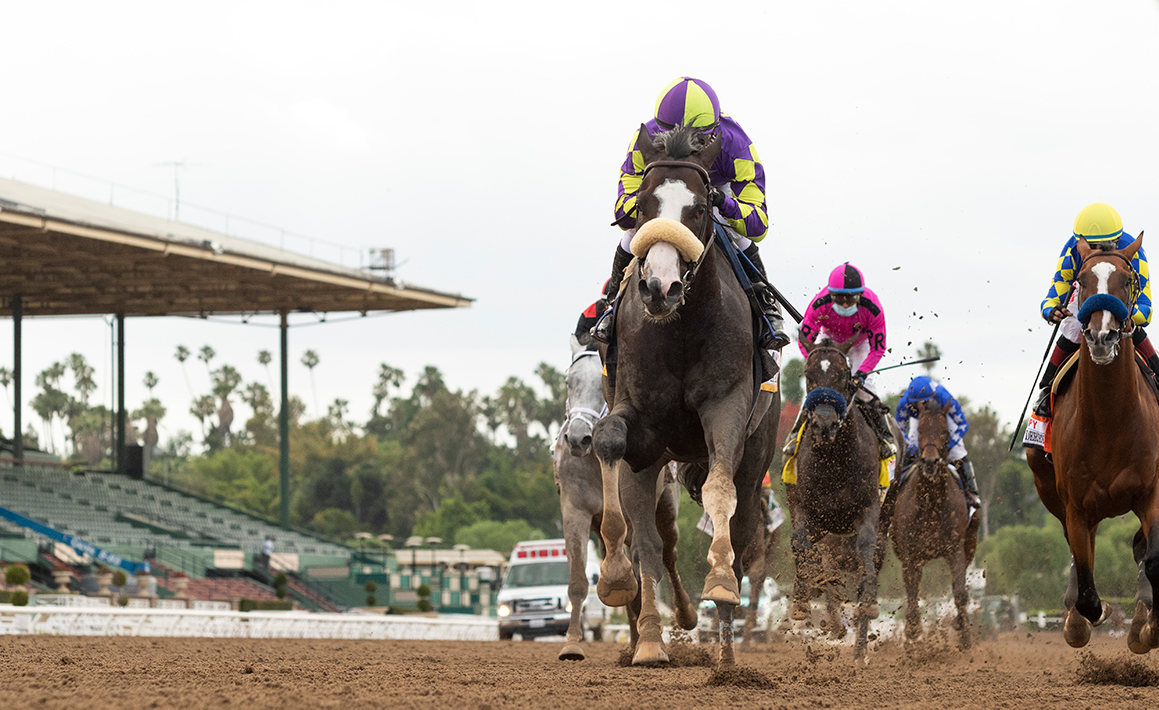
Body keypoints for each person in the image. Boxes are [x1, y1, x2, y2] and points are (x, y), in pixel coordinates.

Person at [592, 76, 788, 349]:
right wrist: (645, 202)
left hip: (714, 189)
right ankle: (611, 306)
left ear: (713, 132)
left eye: (697, 140)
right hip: (664, 187)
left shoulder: (737, 145)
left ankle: (767, 311)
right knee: (632, 232)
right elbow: (622, 212)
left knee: (737, 233)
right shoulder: (642, 140)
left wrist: (722, 202)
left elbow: (758, 225)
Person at [1034, 202, 1155, 417]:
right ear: (1081, 242)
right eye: (1093, 245)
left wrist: (1132, 316)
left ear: (1117, 241)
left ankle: (1156, 372)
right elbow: (1060, 284)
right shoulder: (1072, 248)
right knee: (1071, 325)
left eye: (1107, 245)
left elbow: (1145, 304)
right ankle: (1046, 389)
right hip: (1087, 295)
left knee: (1130, 324)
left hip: (1120, 298)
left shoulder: (1134, 251)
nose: (1099, 252)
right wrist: (1051, 308)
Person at [783, 263, 895, 461]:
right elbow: (806, 341)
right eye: (839, 298)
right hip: (829, 343)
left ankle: (885, 436)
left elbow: (878, 348)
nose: (844, 304)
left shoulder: (873, 307)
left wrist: (862, 373)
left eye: (850, 298)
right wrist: (816, 362)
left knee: (864, 388)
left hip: (860, 344)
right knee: (820, 384)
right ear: (831, 295)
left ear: (859, 295)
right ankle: (795, 434)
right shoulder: (819, 303)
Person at [894, 375, 981, 508]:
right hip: (920, 421)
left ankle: (971, 492)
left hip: (943, 418)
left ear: (932, 396)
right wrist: (911, 447)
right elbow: (900, 429)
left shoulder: (945, 398)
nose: (919, 405)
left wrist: (950, 444)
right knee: (908, 452)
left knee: (958, 453)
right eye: (916, 403)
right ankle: (894, 491)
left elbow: (963, 424)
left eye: (923, 402)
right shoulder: (904, 403)